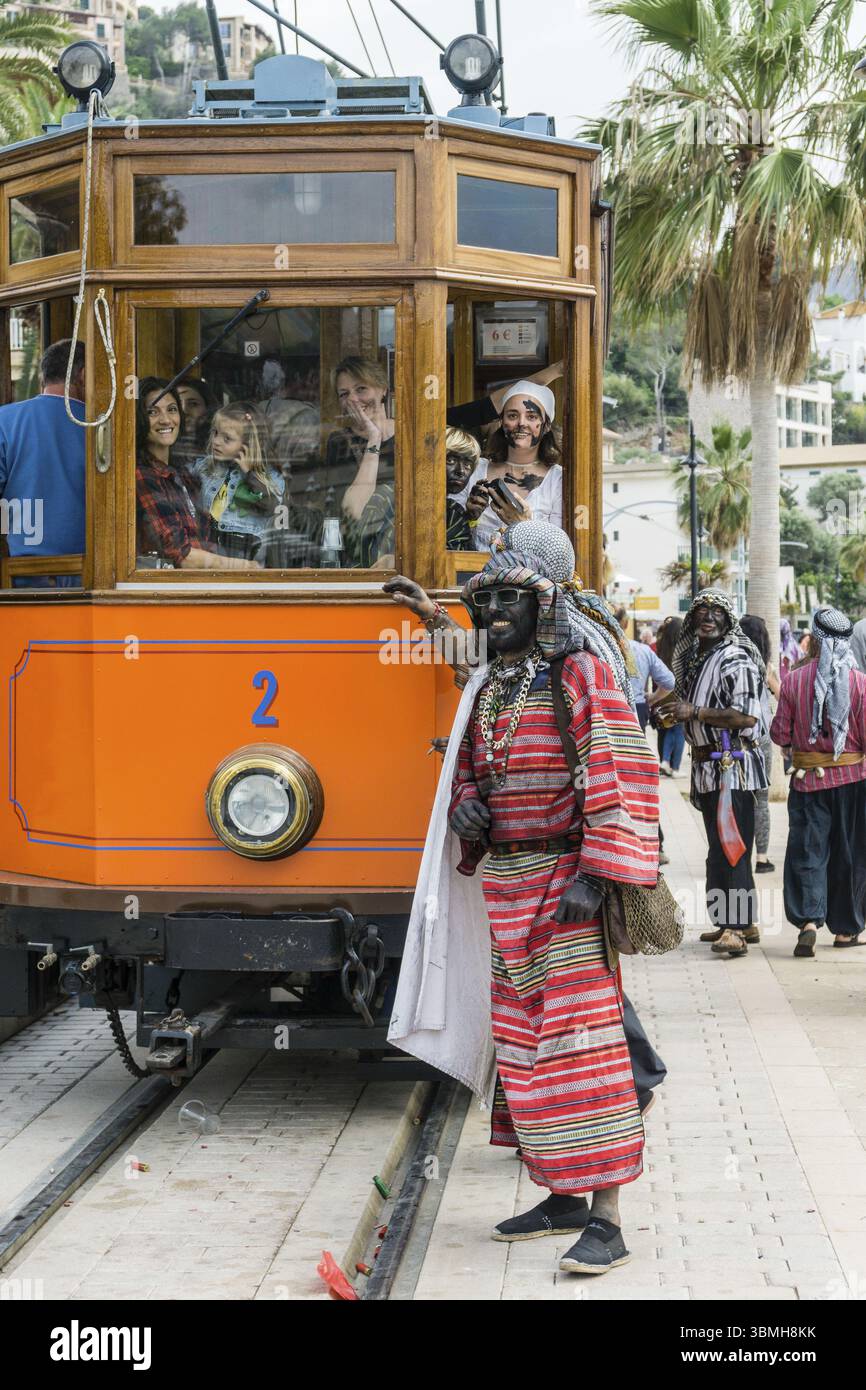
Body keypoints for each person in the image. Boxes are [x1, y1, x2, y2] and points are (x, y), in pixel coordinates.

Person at [389, 540, 659, 1276]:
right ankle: (563, 1197)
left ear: (543, 605)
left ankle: (608, 1219)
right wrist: (468, 805)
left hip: (569, 889)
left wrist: (598, 879)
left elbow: (619, 771)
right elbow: (468, 766)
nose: (496, 611)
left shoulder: (581, 672)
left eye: (511, 599)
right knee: (525, 1048)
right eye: (488, 601)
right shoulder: (491, 682)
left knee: (584, 1046)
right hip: (506, 889)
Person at [669, 593, 768, 958]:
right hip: (709, 768)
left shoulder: (735, 659)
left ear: (727, 621)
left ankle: (736, 930)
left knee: (732, 848)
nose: (707, 618)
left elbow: (746, 717)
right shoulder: (702, 659)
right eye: (701, 612)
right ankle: (736, 921)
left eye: (715, 612)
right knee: (721, 849)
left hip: (732, 769)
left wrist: (695, 712)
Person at [770, 607, 866, 958]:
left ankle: (809, 922)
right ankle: (846, 931)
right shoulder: (861, 684)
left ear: (814, 637)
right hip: (854, 783)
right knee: (849, 854)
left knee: (808, 851)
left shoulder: (794, 680)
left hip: (808, 781)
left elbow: (779, 733)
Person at [135, 379, 254, 571]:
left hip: (201, 583)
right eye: (152, 412)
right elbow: (182, 555)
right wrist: (249, 567)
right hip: (166, 591)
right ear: (139, 418)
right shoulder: (142, 475)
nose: (166, 419)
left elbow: (207, 540)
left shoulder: (185, 475)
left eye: (172, 409)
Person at [0, 339, 86, 588]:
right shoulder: (98, 426)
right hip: (90, 577)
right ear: (83, 375)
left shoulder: (4, 420)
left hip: (19, 575)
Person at [451, 381, 563, 551]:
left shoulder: (558, 480)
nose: (521, 423)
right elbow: (449, 536)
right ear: (502, 422)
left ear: (546, 425)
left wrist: (523, 524)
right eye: (512, 415)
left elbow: (561, 551)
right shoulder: (472, 469)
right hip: (475, 575)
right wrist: (469, 517)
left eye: (531, 416)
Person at [189, 402, 285, 564]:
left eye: (227, 439)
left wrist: (251, 474)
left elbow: (271, 507)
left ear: (248, 446)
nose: (216, 442)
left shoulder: (270, 478)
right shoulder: (204, 467)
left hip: (243, 555)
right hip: (208, 552)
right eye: (215, 433)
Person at [325, 356, 395, 568]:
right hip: (360, 557)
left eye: (361, 389)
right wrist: (374, 438)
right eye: (344, 394)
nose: (353, 399)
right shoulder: (339, 443)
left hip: (402, 550)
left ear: (383, 389)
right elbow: (353, 511)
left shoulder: (411, 434)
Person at [740, 614, 781, 874]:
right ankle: (762, 858)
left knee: (739, 796)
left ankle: (740, 854)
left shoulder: (733, 660)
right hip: (762, 735)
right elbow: (782, 693)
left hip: (736, 737)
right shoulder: (765, 665)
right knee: (761, 798)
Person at [615, 606, 675, 732]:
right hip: (638, 708)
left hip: (607, 709)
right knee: (637, 751)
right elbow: (669, 682)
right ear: (626, 624)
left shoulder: (591, 650)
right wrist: (653, 698)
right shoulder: (643, 650)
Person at [445, 427, 485, 550]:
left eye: (467, 464)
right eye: (451, 460)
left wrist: (470, 519)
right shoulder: (396, 499)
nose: (461, 471)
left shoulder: (454, 512)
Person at [655, 617, 685, 776]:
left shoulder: (660, 647)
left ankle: (664, 761)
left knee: (665, 730)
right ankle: (673, 766)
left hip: (662, 695)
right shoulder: (683, 650)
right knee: (678, 731)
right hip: (678, 695)